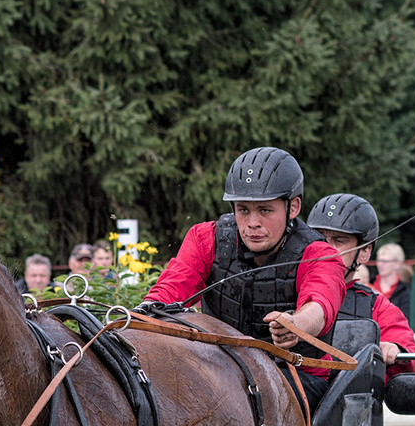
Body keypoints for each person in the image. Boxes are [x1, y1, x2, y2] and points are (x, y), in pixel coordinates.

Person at [141, 146, 346, 410]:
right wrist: (141, 314)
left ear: (293, 206)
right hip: (218, 372)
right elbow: (169, 290)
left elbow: (319, 306)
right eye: (243, 210)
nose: (252, 223)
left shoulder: (319, 254)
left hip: (297, 379)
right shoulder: (206, 238)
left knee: (237, 397)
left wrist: (296, 324)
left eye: (265, 210)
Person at [306, 194, 415, 426]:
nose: (326, 249)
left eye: (339, 241)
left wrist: (395, 353)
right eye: (320, 239)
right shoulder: (282, 292)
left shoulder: (377, 307)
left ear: (364, 252)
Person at [372, 242, 412, 319]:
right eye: (379, 260)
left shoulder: (406, 290)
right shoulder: (369, 284)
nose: (380, 264)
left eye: (385, 261)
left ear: (397, 263)